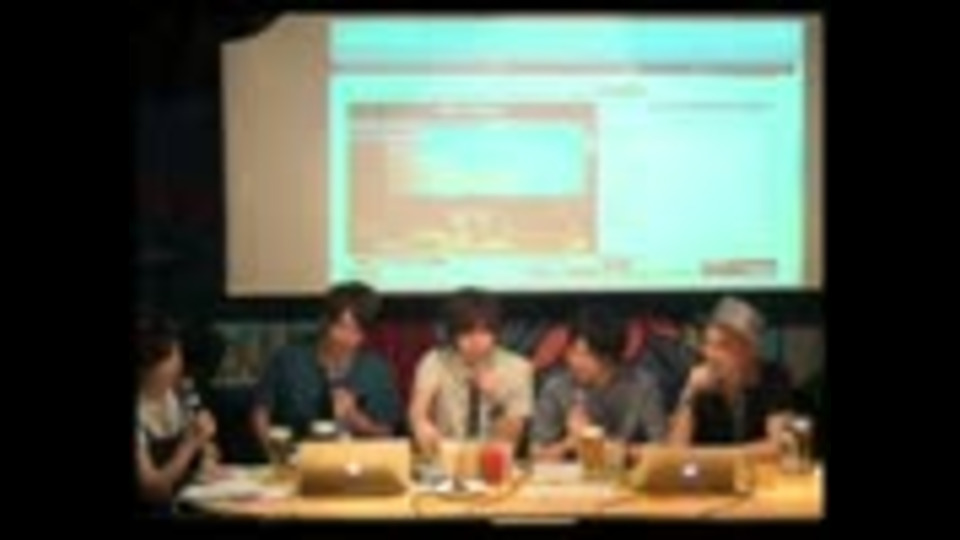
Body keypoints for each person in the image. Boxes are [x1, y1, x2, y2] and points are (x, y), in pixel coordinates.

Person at [251, 282, 401, 451]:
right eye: (342, 327)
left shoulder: (376, 370)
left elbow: (387, 432)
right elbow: (260, 411)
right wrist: (273, 452)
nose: (347, 339)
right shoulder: (289, 359)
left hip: (356, 460)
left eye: (357, 331)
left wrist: (355, 419)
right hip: (296, 457)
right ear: (325, 322)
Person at [531, 306, 667, 462]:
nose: (575, 361)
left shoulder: (642, 386)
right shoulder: (556, 388)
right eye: (572, 352)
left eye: (585, 354)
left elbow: (662, 450)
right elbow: (536, 455)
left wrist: (617, 450)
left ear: (609, 357)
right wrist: (570, 443)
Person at [408, 288, 533, 455]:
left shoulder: (517, 368)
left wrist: (496, 399)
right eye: (467, 332)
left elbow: (511, 440)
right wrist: (422, 425)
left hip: (494, 460)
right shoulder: (435, 361)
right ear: (453, 333)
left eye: (484, 332)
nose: (476, 341)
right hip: (445, 456)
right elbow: (418, 412)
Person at [667, 296, 793, 459]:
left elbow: (780, 445)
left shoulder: (773, 377)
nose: (710, 354)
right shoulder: (698, 379)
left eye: (722, 346)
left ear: (749, 350)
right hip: (709, 474)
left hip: (757, 473)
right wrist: (689, 393)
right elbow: (675, 452)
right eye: (707, 344)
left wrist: (718, 456)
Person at [135, 316, 220, 515]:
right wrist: (190, 444)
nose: (180, 362)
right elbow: (153, 491)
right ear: (150, 365)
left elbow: (208, 451)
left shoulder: (178, 394)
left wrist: (207, 455)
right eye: (174, 354)